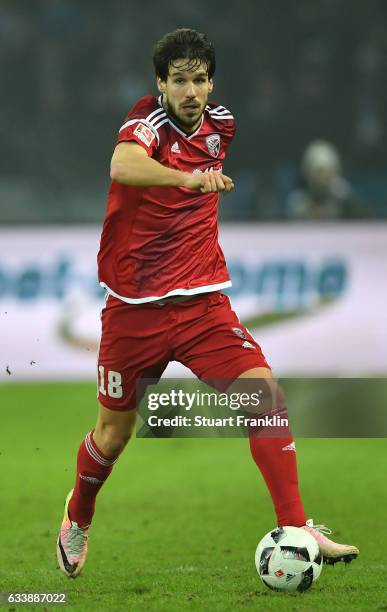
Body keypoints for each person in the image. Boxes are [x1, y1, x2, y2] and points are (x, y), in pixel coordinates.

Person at [56, 28, 359, 578]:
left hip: (202, 306)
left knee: (265, 400)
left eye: (198, 79)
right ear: (160, 85)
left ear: (211, 82)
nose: (190, 91)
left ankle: (296, 527)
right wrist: (186, 180)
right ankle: (78, 515)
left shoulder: (223, 125)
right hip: (133, 310)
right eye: (179, 81)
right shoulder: (145, 123)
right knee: (113, 435)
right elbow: (122, 166)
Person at [286, 140, 366, 219]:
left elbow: (365, 220)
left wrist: (349, 200)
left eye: (326, 172)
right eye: (318, 172)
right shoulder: (298, 202)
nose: (322, 177)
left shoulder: (343, 197)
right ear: (308, 172)